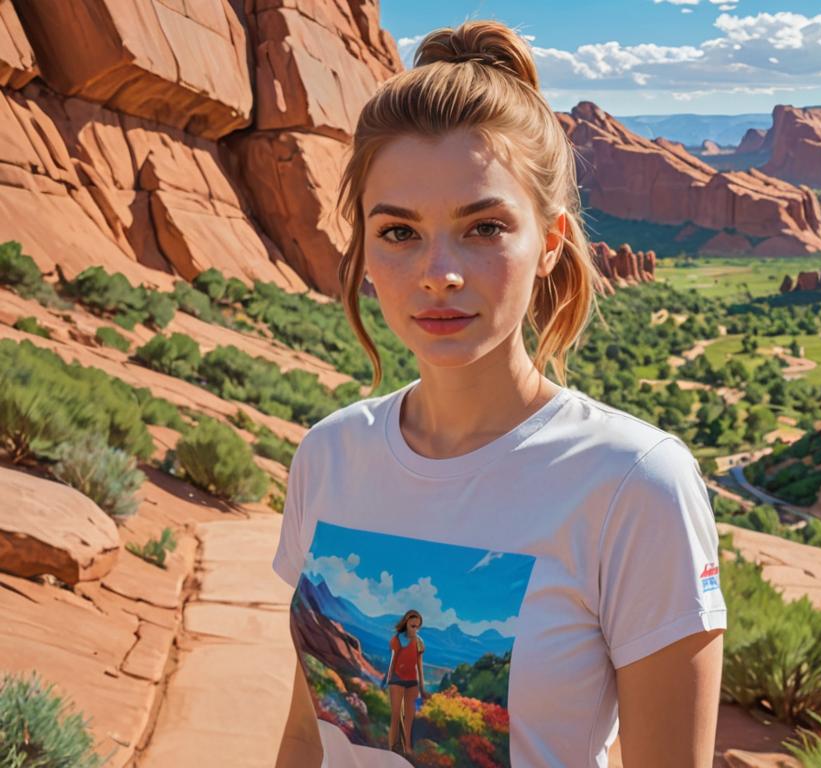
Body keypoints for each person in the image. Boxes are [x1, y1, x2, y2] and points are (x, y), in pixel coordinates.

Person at [273, 19, 726, 768]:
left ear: (549, 243)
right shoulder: (331, 455)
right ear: (363, 248)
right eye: (398, 232)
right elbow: (304, 738)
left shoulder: (633, 483)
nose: (438, 272)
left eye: (482, 228)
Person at [381, 610, 429, 755]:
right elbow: (393, 661)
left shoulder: (420, 642)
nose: (415, 629)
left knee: (409, 718)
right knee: (395, 715)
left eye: (417, 627)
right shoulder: (397, 640)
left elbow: (420, 666)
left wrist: (422, 687)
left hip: (412, 682)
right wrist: (388, 679)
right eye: (412, 626)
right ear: (406, 623)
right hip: (397, 679)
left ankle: (407, 747)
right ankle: (392, 747)